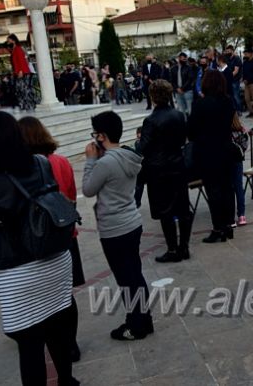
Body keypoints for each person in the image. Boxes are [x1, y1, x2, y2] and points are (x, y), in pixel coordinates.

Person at [0, 112, 79, 385]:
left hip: (19, 269)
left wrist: (1, 257)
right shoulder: (41, 163)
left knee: (30, 344)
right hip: (56, 258)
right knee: (58, 329)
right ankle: (67, 380)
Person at [18, 116, 86, 362]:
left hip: (37, 240)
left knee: (42, 298)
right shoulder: (61, 161)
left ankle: (54, 344)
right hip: (65, 234)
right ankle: (71, 344)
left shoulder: (23, 169)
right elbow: (70, 196)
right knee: (65, 294)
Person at [82, 111, 154, 341]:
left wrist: (90, 161)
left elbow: (88, 189)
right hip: (131, 221)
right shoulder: (127, 155)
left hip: (114, 228)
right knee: (134, 274)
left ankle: (136, 326)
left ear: (101, 135)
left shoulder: (104, 163)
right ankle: (143, 319)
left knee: (126, 279)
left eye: (95, 134)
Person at [139, 80, 192, 262]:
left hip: (159, 170)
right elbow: (184, 138)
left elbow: (143, 147)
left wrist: (137, 144)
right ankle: (183, 247)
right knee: (183, 208)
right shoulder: (179, 115)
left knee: (166, 211)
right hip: (178, 165)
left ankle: (172, 249)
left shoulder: (151, 120)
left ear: (153, 97)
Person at [188, 70, 236, 243]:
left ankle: (218, 228)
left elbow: (191, 131)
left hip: (207, 152)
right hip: (225, 149)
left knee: (213, 191)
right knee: (227, 189)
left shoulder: (199, 104)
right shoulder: (228, 102)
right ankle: (229, 225)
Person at [6, 33, 36, 111]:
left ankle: (29, 106)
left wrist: (21, 71)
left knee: (24, 89)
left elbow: (21, 61)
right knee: (20, 90)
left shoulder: (18, 49)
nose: (7, 42)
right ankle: (24, 106)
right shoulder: (14, 50)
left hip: (23, 72)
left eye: (8, 40)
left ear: (13, 40)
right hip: (19, 72)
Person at [231, 113, 249, 226]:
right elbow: (245, 145)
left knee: (229, 188)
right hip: (238, 160)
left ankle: (230, 218)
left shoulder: (223, 129)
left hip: (226, 161)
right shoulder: (241, 129)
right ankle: (242, 215)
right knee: (239, 187)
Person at [242, 47, 253, 117]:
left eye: (246, 54)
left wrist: (248, 80)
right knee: (247, 98)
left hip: (252, 83)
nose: (245, 55)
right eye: (245, 54)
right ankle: (251, 111)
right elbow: (243, 72)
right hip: (246, 83)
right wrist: (243, 79)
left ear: (251, 54)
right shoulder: (245, 62)